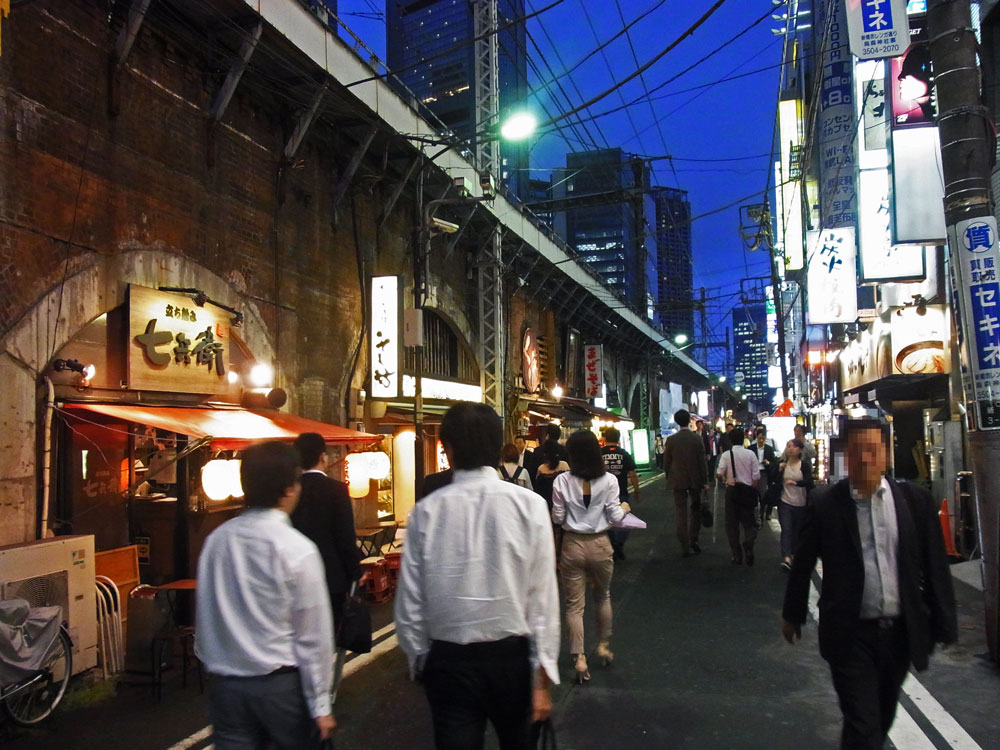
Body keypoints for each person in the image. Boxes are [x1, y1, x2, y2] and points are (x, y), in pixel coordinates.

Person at [781, 418, 957, 749]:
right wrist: (792, 614)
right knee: (864, 724)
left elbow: (935, 564)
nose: (866, 459)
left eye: (873, 451)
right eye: (858, 451)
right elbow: (802, 562)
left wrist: (945, 622)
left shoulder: (914, 501)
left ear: (886, 453)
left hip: (899, 634)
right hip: (849, 634)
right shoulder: (827, 504)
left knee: (878, 717)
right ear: (846, 455)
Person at [395, 402, 560, 750]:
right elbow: (543, 599)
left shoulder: (426, 512)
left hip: (448, 661)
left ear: (447, 449)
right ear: (497, 446)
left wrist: (419, 659)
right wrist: (542, 679)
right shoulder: (529, 506)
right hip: (511, 661)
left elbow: (410, 601)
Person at [196, 441, 335, 750]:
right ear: (289, 487)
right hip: (280, 687)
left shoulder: (217, 542)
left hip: (226, 686)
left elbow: (204, 613)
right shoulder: (297, 549)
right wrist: (320, 703)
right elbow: (313, 635)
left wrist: (211, 660)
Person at [551, 430, 629, 684]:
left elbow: (558, 518)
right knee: (602, 595)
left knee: (574, 605)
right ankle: (604, 646)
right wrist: (625, 508)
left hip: (572, 545)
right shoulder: (608, 481)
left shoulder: (561, 481)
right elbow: (616, 517)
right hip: (600, 544)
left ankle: (580, 658)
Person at [291, 432, 364, 629]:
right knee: (328, 632)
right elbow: (345, 537)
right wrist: (356, 572)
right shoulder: (337, 489)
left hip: (296, 579)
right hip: (332, 577)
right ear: (323, 457)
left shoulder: (290, 490)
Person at [663, 409, 709, 558]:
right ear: (690, 421)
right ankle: (693, 539)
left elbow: (666, 463)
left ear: (676, 421)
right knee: (695, 510)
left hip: (678, 480)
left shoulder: (671, 440)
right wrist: (705, 481)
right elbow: (702, 462)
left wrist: (668, 476)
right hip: (695, 479)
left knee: (680, 512)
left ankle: (684, 545)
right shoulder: (697, 439)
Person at [715, 427, 761, 566]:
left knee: (732, 525)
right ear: (744, 439)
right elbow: (756, 477)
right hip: (747, 491)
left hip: (732, 491)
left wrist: (724, 479)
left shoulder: (726, 455)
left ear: (730, 439)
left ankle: (737, 555)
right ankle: (748, 543)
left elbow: (719, 473)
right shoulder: (751, 454)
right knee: (749, 523)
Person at [601, 427, 640, 561]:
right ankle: (620, 543)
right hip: (622, 493)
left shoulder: (599, 454)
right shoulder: (624, 454)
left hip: (603, 494)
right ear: (618, 439)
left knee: (607, 520)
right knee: (626, 521)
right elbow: (633, 474)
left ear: (605, 439)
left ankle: (612, 543)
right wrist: (637, 490)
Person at [776, 438, 814, 571]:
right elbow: (773, 481)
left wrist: (796, 483)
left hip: (801, 502)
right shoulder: (782, 464)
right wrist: (778, 470)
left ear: (800, 450)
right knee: (786, 530)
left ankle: (794, 555)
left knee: (797, 531)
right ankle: (787, 557)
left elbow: (810, 482)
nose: (790, 449)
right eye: (788, 446)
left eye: (793, 446)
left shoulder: (804, 466)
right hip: (785, 502)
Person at [749, 426, 778, 523]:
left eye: (763, 438)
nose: (761, 440)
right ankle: (754, 514)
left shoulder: (769, 449)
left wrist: (768, 463)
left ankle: (762, 514)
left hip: (764, 472)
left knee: (762, 494)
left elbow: (773, 462)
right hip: (754, 473)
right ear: (756, 438)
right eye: (759, 438)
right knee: (753, 494)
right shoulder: (751, 448)